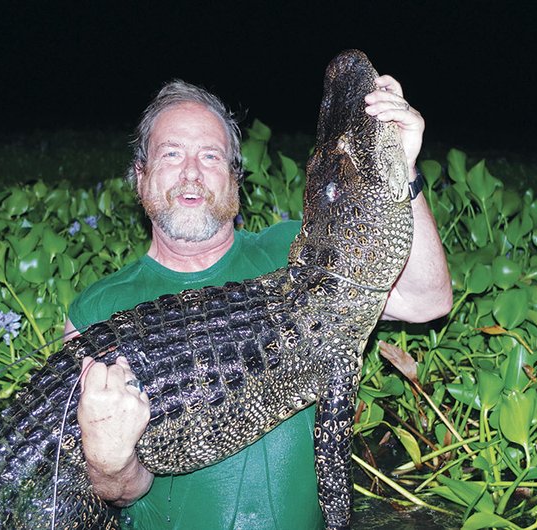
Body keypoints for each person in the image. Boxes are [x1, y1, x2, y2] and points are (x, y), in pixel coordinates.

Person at [64, 75, 452, 529]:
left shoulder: (298, 255)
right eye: (171, 154)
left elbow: (427, 300)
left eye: (210, 156)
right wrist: (111, 466)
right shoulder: (97, 314)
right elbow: (111, 494)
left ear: (235, 177)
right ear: (140, 174)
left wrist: (401, 168)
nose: (191, 172)